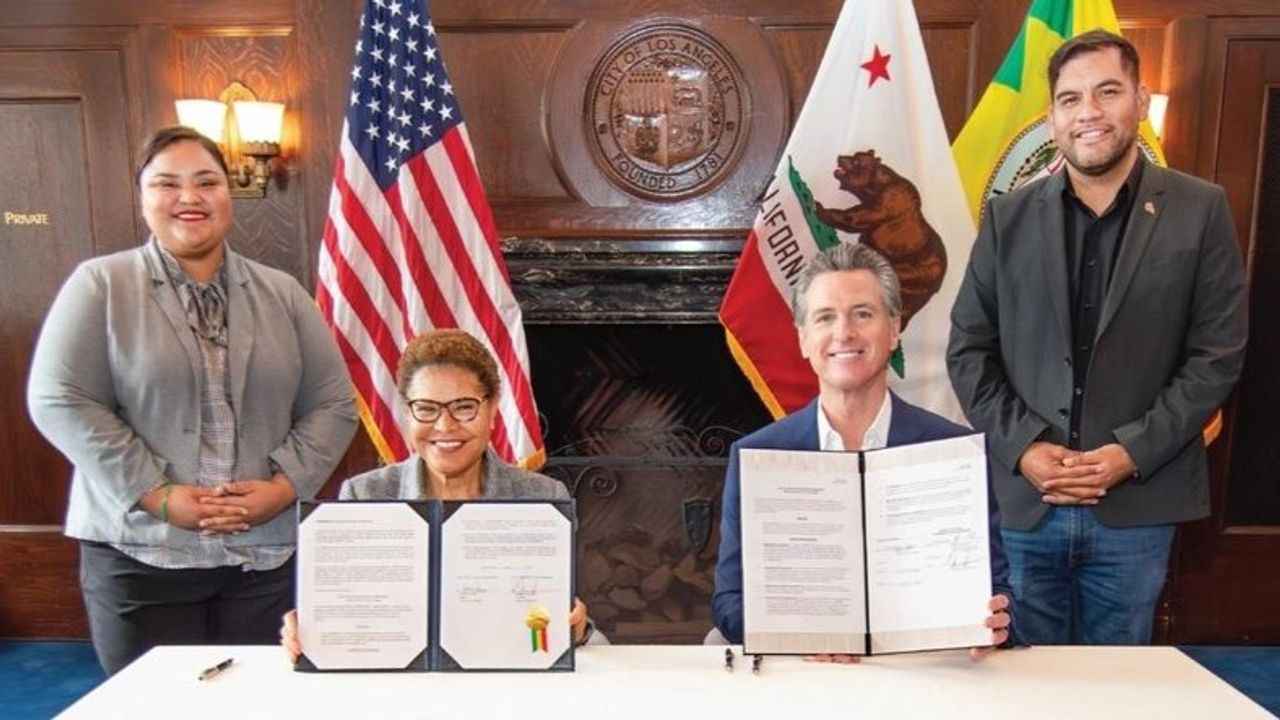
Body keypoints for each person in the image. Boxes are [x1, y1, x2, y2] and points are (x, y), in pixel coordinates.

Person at [947, 30, 1248, 645]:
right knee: (1023, 675)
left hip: (1139, 503)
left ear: (1140, 100)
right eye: (1070, 98)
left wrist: (1130, 453)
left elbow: (1215, 357)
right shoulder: (1007, 218)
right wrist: (1026, 449)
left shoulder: (1201, 210)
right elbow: (969, 350)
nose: (1088, 111)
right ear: (1052, 117)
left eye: (1107, 92)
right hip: (1028, 501)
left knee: (1118, 679)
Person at [26, 126, 359, 674]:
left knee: (262, 704)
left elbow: (334, 404)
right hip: (140, 555)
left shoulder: (283, 293)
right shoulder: (100, 285)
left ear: (229, 193)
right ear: (142, 197)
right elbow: (60, 399)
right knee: (156, 706)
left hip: (266, 560)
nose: (190, 197)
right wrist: (154, 494)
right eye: (167, 183)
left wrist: (284, 488)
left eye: (207, 182)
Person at [712, 242, 1013, 659]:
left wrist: (996, 621)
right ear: (803, 339)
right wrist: (803, 637)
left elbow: (996, 592)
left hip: (925, 673)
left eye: (863, 314)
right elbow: (729, 604)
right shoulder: (758, 456)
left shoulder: (953, 453)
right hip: (805, 673)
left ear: (894, 329)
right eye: (825, 317)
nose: (844, 333)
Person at [281, 329, 596, 660]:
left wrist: (574, 627)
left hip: (505, 672)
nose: (445, 426)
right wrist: (317, 626)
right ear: (407, 413)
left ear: (492, 411)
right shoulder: (364, 495)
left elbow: (564, 616)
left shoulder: (543, 499)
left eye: (464, 407)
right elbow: (352, 611)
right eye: (427, 408)